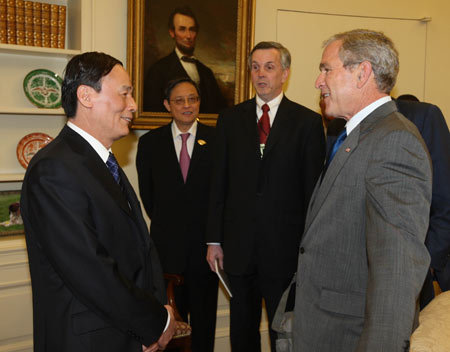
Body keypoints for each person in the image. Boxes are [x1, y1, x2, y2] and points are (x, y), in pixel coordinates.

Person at [20, 52, 175, 352]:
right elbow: (91, 270)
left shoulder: (100, 162)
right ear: (86, 96)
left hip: (125, 334)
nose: (133, 105)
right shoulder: (53, 169)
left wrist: (152, 320)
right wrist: (154, 322)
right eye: (125, 93)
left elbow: (139, 249)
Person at [292, 29, 432, 351]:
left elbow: (396, 271)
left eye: (326, 69)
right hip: (324, 326)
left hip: (350, 335)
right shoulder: (355, 135)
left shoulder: (394, 141)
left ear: (362, 73)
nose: (318, 81)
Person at [206, 41, 326, 352]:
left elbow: (313, 193)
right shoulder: (230, 120)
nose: (261, 74)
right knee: (241, 331)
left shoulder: (308, 123)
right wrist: (214, 240)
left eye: (269, 67)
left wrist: (309, 250)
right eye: (255, 67)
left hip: (285, 252)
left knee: (283, 334)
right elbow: (218, 183)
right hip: (239, 248)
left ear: (284, 73)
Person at [136, 77, 218, 352]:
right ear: (167, 105)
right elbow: (148, 198)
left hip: (206, 253)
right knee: (169, 328)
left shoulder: (218, 140)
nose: (187, 105)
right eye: (179, 100)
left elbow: (223, 195)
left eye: (192, 99)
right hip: (166, 253)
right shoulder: (149, 144)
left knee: (204, 326)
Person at [395, 96, 450, 300]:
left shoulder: (424, 118)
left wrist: (429, 267)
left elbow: (444, 200)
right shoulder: (340, 127)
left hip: (415, 273)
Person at [143, 6, 227, 113]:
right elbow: (153, 110)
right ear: (172, 33)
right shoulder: (157, 70)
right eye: (182, 29)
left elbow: (219, 110)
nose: (188, 35)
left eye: (192, 30)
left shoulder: (207, 73)